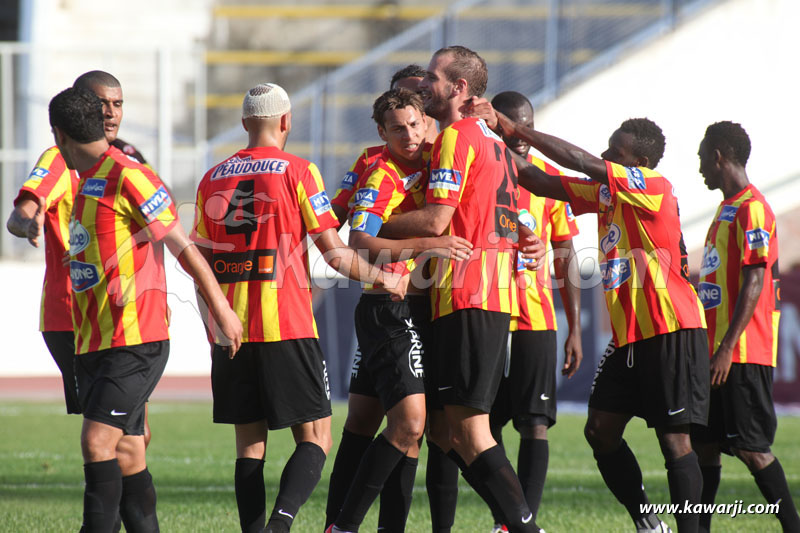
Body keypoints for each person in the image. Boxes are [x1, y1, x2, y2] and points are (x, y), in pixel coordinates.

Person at [191, 83, 407, 533]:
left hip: (230, 329)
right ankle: (280, 525)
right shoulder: (299, 170)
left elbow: (200, 263)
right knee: (317, 437)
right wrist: (384, 277)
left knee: (249, 446)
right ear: (286, 121)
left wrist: (213, 321)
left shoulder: (211, 177)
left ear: (245, 122)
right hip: (287, 326)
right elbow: (335, 254)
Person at [485, 108, 709, 532]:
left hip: (671, 329)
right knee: (600, 431)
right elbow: (538, 181)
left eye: (615, 152)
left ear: (637, 165)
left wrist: (517, 129)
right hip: (628, 337)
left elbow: (585, 163)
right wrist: (487, 138)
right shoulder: (608, 193)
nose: (606, 155)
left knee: (675, 441)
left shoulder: (655, 187)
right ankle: (648, 521)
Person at [361, 46, 545, 533]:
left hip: (467, 293)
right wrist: (528, 233)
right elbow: (503, 205)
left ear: (459, 89)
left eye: (435, 79)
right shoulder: (490, 140)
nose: (426, 85)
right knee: (444, 431)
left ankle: (525, 527)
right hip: (481, 296)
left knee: (468, 431)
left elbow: (440, 220)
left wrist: (373, 225)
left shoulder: (457, 138)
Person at [50, 86, 243, 532]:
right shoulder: (87, 181)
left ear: (58, 135)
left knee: (97, 442)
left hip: (134, 340)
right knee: (129, 451)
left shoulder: (129, 174)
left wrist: (221, 307)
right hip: (94, 340)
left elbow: (183, 246)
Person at [7, 71, 157, 533]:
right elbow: (21, 213)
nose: (109, 112)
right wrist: (28, 222)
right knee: (110, 441)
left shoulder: (127, 161)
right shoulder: (60, 159)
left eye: (117, 103)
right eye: (99, 104)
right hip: (76, 317)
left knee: (133, 441)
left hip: (127, 319)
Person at [326, 88, 473, 533]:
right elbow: (358, 238)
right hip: (390, 307)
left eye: (415, 124)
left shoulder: (441, 158)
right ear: (382, 131)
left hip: (429, 306)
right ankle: (341, 525)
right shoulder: (379, 171)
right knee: (399, 423)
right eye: (397, 128)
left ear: (427, 120)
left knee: (424, 431)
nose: (409, 135)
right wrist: (430, 243)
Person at [691, 121, 800, 532]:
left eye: (703, 158)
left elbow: (756, 277)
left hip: (741, 353)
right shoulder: (727, 208)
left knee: (753, 449)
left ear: (719, 155)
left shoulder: (754, 207)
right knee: (704, 446)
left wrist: (726, 348)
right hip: (715, 351)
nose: (701, 167)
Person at [486, 91, 583, 533]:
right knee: (476, 424)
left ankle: (522, 524)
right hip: (484, 311)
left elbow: (564, 252)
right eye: (512, 125)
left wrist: (574, 327)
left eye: (526, 124)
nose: (521, 136)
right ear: (495, 123)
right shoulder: (479, 167)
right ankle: (509, 515)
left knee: (534, 423)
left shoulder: (547, 180)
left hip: (535, 317)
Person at [329, 64, 439, 225]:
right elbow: (337, 218)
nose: (409, 102)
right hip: (401, 250)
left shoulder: (454, 149)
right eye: (400, 95)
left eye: (418, 94)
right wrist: (369, 221)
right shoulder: (371, 159)